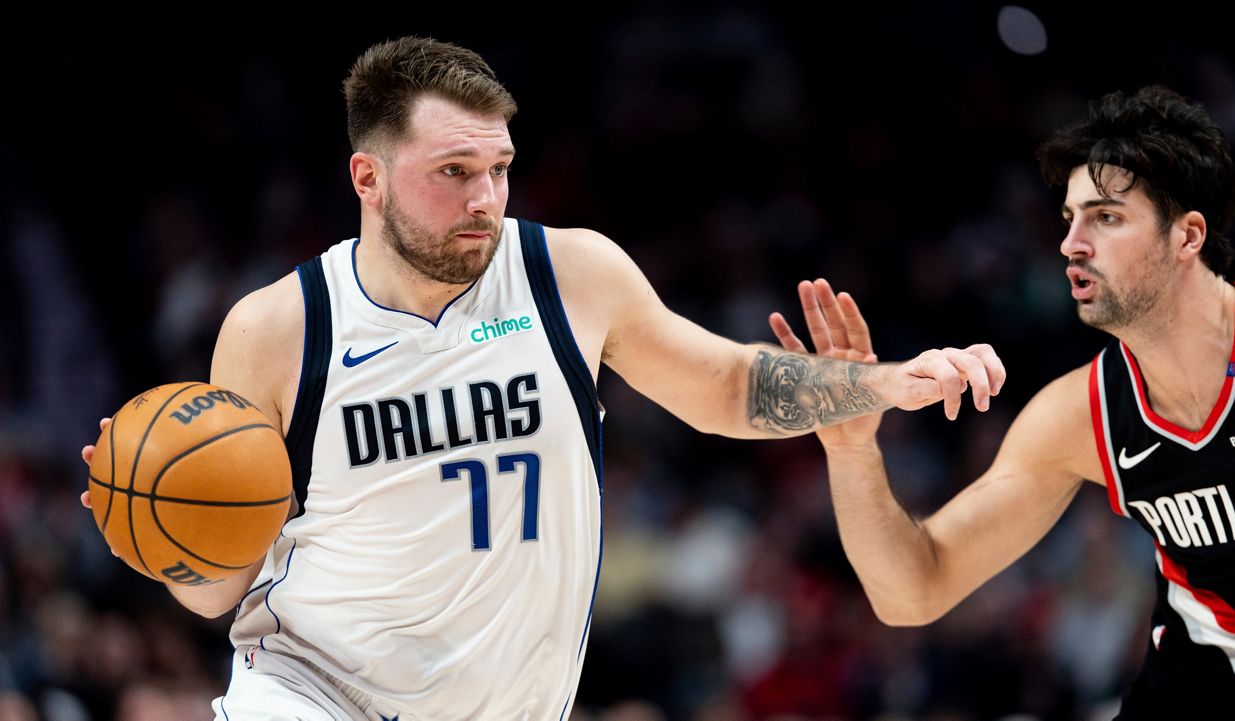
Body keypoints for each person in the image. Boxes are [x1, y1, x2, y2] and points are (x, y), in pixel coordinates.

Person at [79, 37, 1001, 720]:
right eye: (453, 172)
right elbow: (215, 587)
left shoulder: (572, 273)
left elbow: (724, 387)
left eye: (500, 169)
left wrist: (880, 384)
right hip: (309, 695)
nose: (486, 197)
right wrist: (158, 527)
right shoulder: (278, 328)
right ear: (369, 176)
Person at [771, 85, 1235, 718]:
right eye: (1070, 218)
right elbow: (912, 592)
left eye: (1107, 217)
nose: (1072, 243)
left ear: (1187, 235)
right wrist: (851, 448)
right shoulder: (1080, 414)